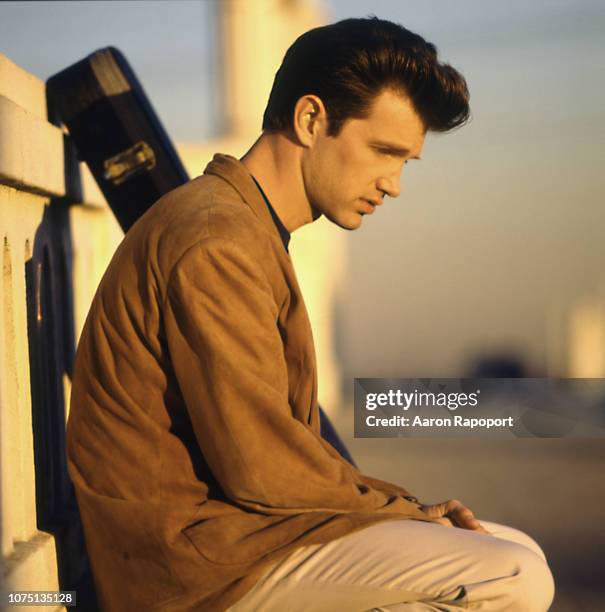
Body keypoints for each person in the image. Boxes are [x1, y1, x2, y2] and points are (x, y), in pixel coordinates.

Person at [66, 17, 555, 612]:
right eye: (383, 151)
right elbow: (260, 465)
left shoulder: (244, 227)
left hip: (240, 539)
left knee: (514, 547)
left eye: (406, 162)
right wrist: (404, 509)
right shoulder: (217, 241)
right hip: (193, 568)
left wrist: (402, 510)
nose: (394, 185)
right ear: (310, 120)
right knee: (511, 576)